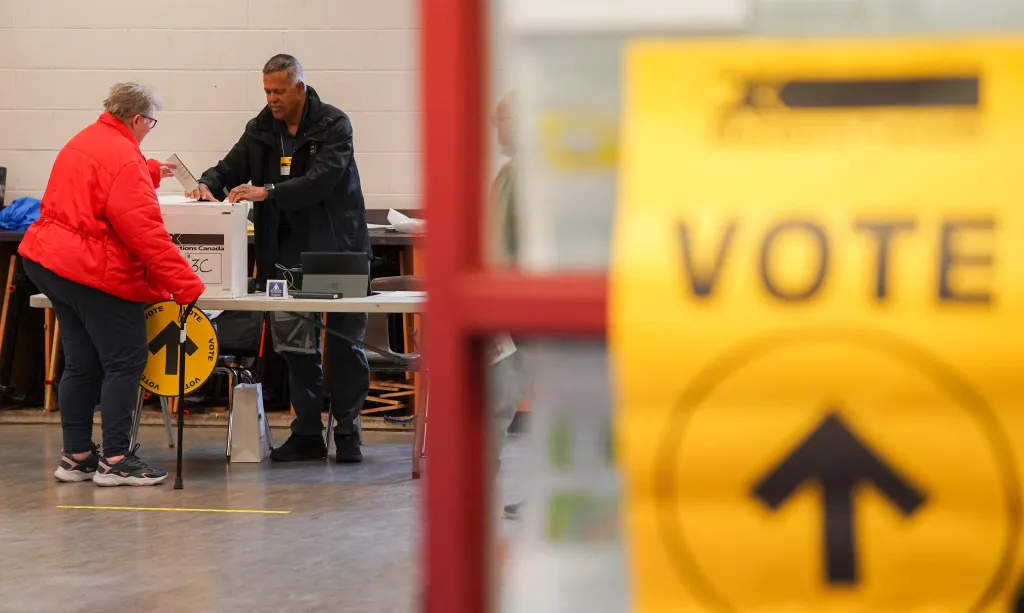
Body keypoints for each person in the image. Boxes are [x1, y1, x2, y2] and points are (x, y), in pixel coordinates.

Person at [187, 54, 371, 463]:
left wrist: (267, 191)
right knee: (295, 346)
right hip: (282, 255)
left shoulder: (334, 125)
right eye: (267, 91)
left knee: (344, 347)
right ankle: (306, 431)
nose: (272, 99)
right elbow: (231, 165)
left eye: (279, 91)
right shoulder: (261, 127)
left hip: (337, 249)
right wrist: (206, 183)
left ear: (300, 88)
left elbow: (321, 181)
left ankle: (347, 431)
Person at [19, 82, 206, 486]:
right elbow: (146, 233)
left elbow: (98, 185)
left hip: (49, 262)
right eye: (151, 123)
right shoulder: (124, 158)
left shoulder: (87, 139)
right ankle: (116, 459)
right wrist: (185, 284)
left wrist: (152, 170)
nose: (149, 130)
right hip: (90, 270)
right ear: (137, 119)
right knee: (126, 360)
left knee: (81, 362)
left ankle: (77, 456)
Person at [487, 91, 529, 520]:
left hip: (520, 315)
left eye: (499, 119)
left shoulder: (520, 175)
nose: (495, 127)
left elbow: (500, 249)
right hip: (527, 311)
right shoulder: (519, 174)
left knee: (493, 404)